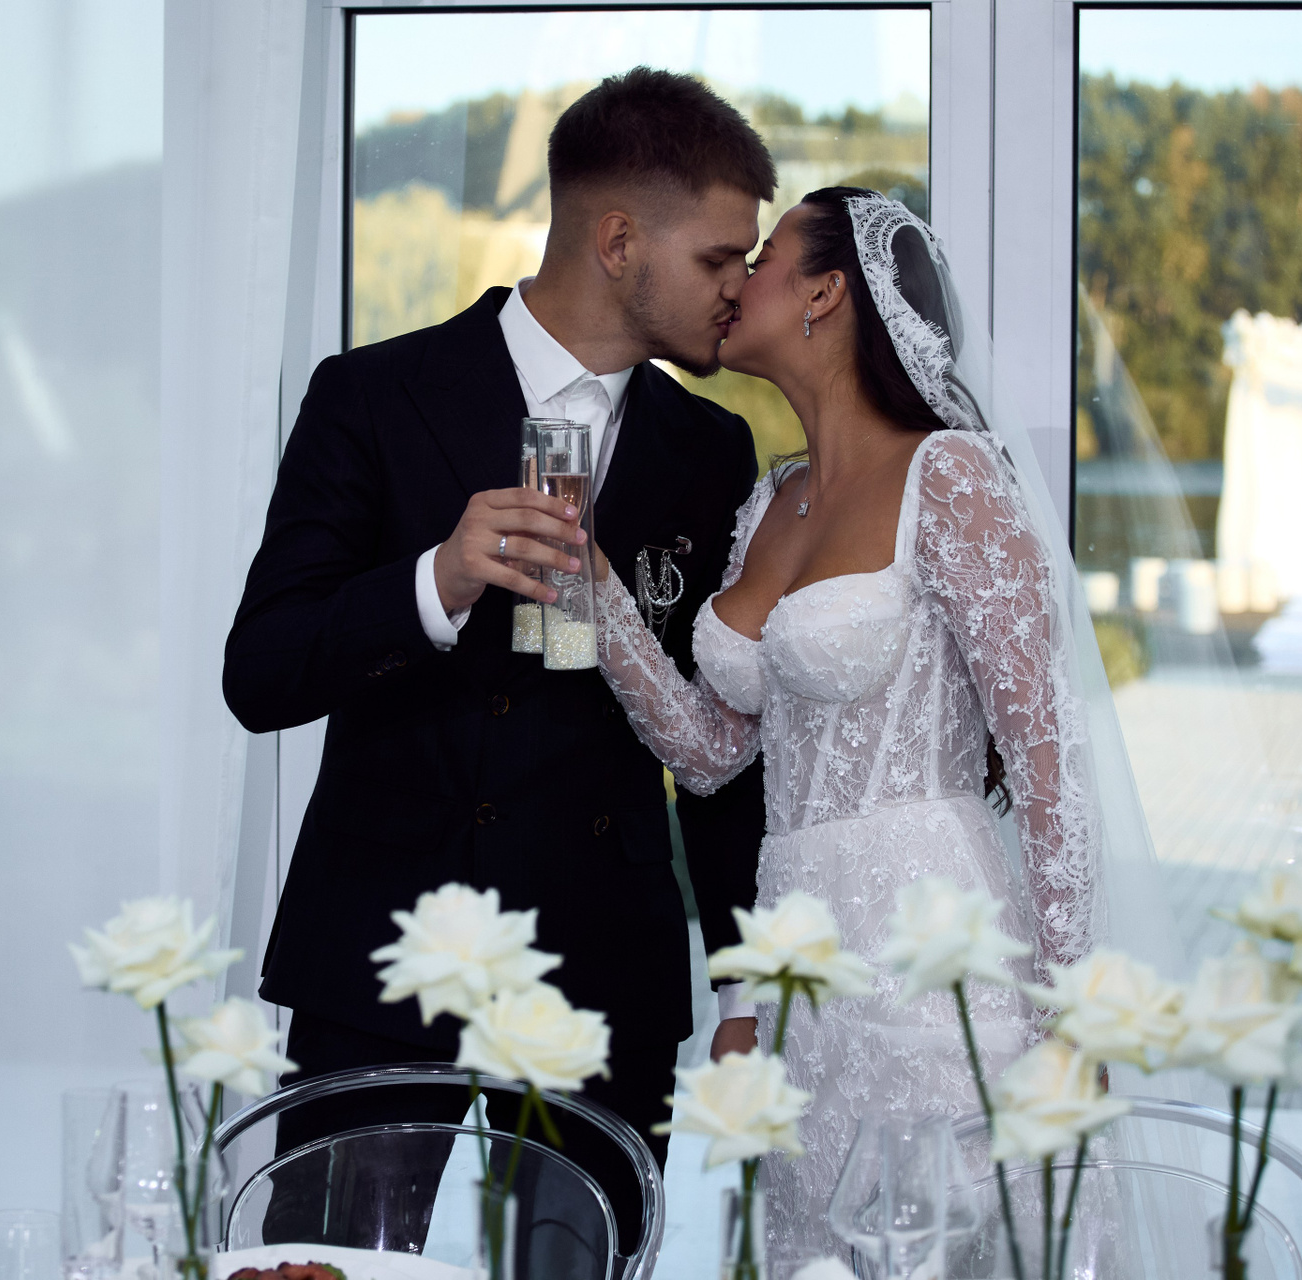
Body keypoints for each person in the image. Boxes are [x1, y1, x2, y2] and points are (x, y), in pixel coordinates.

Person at [222, 67, 773, 1255]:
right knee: (329, 1272)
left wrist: (744, 978)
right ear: (618, 241)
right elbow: (260, 670)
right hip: (381, 956)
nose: (741, 286)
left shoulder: (711, 448)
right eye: (719, 258)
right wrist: (436, 579)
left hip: (603, 975)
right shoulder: (371, 395)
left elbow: (721, 739)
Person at [590, 188, 1115, 1259]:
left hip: (933, 956)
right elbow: (716, 753)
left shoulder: (949, 477)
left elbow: (1049, 764)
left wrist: (1073, 1020)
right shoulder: (770, 499)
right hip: (801, 980)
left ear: (825, 292)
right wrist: (593, 594)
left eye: (764, 258)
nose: (737, 281)